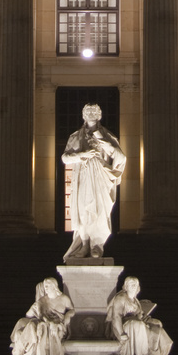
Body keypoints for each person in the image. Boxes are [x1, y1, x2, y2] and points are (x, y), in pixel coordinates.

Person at [61, 103, 125, 260]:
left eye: (94, 111)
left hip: (100, 178)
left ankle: (97, 245)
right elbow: (65, 158)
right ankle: (84, 244)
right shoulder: (75, 136)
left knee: (99, 211)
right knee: (83, 210)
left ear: (99, 115)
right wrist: (82, 155)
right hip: (83, 177)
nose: (91, 114)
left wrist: (102, 140)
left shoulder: (107, 135)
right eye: (88, 111)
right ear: (83, 115)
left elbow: (120, 156)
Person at [10, 277, 73, 355]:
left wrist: (68, 316)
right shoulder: (42, 300)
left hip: (57, 324)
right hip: (44, 322)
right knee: (33, 325)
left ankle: (21, 353)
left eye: (47, 285)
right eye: (45, 286)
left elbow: (72, 310)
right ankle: (22, 353)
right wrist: (49, 322)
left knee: (35, 326)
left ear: (54, 286)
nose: (45, 288)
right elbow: (41, 315)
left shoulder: (64, 298)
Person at [106, 276, 172, 355]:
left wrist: (154, 321)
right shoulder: (121, 298)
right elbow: (116, 316)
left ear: (138, 287)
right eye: (131, 284)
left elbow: (141, 317)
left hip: (136, 322)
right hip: (122, 325)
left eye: (135, 284)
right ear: (126, 286)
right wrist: (121, 333)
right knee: (137, 324)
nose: (134, 286)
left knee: (157, 328)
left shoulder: (136, 301)